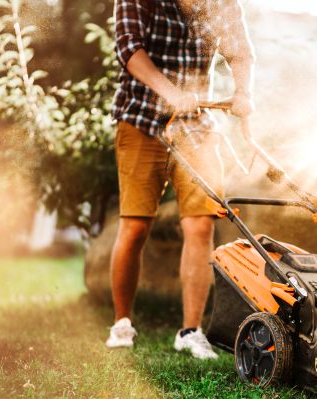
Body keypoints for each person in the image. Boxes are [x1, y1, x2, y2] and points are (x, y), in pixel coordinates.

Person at [105, 0, 255, 359]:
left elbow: (241, 53)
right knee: (136, 225)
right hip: (140, 119)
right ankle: (122, 322)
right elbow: (129, 47)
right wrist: (170, 92)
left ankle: (190, 331)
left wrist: (243, 93)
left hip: (197, 126)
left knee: (202, 224)